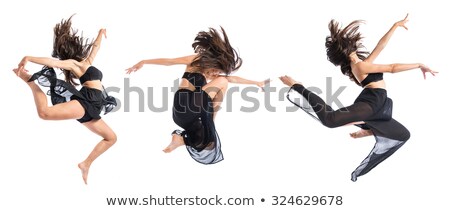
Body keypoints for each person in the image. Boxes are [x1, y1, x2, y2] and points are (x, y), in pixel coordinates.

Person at [279, 14, 437, 181]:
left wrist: (395, 26)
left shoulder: (361, 63)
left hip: (378, 103)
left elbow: (380, 46)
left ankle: (369, 129)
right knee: (330, 120)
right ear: (347, 49)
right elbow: (392, 67)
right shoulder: (360, 66)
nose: (355, 42)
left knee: (403, 134)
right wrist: (419, 65)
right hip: (372, 103)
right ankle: (297, 86)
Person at [126, 27, 268, 164]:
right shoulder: (196, 61)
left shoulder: (210, 75)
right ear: (212, 62)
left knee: (209, 144)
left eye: (215, 72)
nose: (213, 74)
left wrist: (257, 83)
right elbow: (169, 61)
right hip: (184, 105)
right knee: (223, 82)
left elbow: (233, 79)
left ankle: (181, 139)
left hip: (184, 117)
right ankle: (210, 121)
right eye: (214, 70)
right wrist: (143, 62)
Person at [13, 15, 117, 184]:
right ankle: (29, 81)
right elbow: (52, 62)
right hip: (87, 100)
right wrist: (29, 58)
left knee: (111, 138)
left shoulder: (87, 61)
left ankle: (86, 164)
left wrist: (100, 33)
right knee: (44, 113)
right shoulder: (72, 64)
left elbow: (95, 48)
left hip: (95, 106)